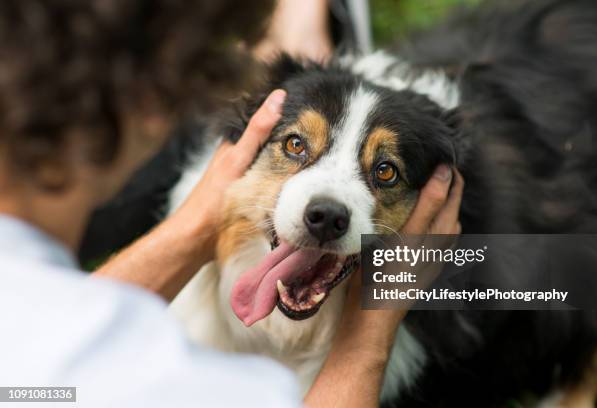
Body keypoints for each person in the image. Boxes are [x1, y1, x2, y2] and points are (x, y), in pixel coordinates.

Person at [0, 1, 463, 407]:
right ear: (149, 110)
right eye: (297, 146)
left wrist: (196, 228)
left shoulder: (36, 335)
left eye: (384, 173)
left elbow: (48, 357)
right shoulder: (211, 390)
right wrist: (368, 336)